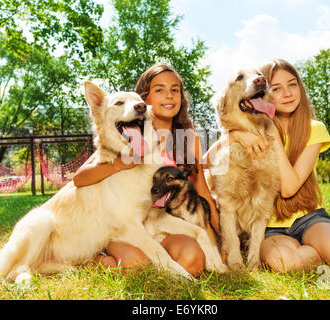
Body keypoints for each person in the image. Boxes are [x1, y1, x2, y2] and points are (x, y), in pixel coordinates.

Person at [203, 58, 330, 280]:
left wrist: (270, 130)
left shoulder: (313, 129)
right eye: (276, 88)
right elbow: (204, 162)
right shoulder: (247, 129)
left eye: (292, 84)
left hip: (309, 219)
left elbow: (289, 188)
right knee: (282, 263)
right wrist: (234, 134)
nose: (287, 93)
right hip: (271, 230)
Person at [73, 63, 220, 276]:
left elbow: (203, 193)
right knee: (136, 265)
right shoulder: (128, 134)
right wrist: (120, 163)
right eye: (159, 90)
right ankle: (96, 259)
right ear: (144, 101)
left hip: (164, 223)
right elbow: (80, 178)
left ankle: (155, 260)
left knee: (193, 260)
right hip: (126, 227)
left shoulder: (188, 139)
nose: (169, 96)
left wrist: (217, 240)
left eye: (175, 90)